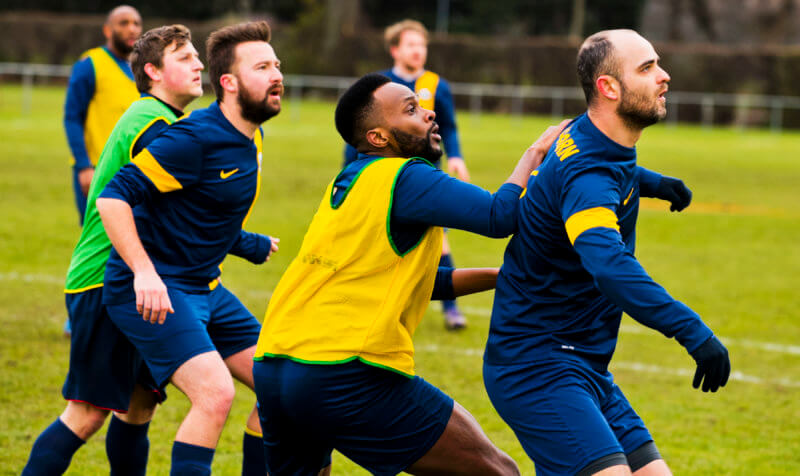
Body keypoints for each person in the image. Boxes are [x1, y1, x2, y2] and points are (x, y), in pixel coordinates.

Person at [252, 72, 568, 475]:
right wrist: (534, 153)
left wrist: (499, 276)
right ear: (379, 138)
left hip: (277, 365)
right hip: (343, 370)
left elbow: (420, 280)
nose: (429, 112)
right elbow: (499, 214)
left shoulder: (349, 181)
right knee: (499, 471)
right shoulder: (407, 175)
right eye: (411, 109)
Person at [483, 29, 731, 476]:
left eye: (658, 63)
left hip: (585, 366)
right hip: (536, 366)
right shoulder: (589, 182)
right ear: (609, 88)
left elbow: (602, 164)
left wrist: (653, 183)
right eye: (647, 68)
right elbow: (609, 266)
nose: (664, 76)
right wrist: (692, 331)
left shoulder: (586, 134)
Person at [96, 21, 281, 476]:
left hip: (205, 286)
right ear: (229, 83)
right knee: (216, 394)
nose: (277, 74)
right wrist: (144, 272)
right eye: (262, 67)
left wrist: (249, 245)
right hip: (153, 289)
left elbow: (201, 212)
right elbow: (113, 197)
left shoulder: (251, 136)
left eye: (277, 64)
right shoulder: (192, 138)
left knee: (283, 387)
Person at [22, 24, 206, 476]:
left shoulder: (166, 121)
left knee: (138, 406)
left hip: (136, 280)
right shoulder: (151, 122)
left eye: (197, 55)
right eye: (185, 57)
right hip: (105, 279)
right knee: (86, 414)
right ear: (153, 72)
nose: (199, 64)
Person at [345, 19, 470, 330]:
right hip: (384, 177)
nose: (418, 51)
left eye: (422, 45)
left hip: (425, 175)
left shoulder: (436, 84)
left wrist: (455, 155)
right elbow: (359, 134)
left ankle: (451, 310)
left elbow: (449, 126)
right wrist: (349, 171)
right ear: (395, 50)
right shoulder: (380, 86)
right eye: (411, 45)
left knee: (439, 242)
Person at [62, 4, 142, 336]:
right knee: (97, 243)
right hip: (98, 174)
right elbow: (72, 116)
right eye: (124, 23)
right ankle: (78, 313)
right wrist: (83, 165)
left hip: (138, 177)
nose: (132, 28)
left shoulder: (143, 69)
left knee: (132, 243)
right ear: (108, 30)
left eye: (137, 23)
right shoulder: (90, 64)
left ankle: (119, 311)